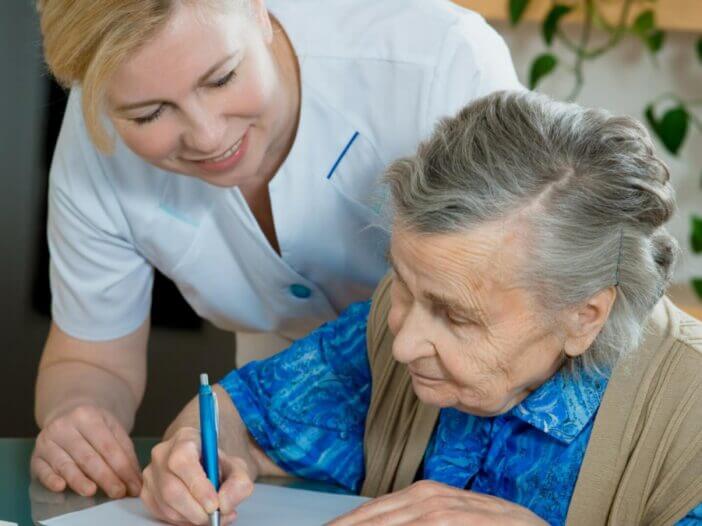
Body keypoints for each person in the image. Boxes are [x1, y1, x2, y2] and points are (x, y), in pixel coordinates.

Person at [31, 0, 522, 499]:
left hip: (480, 401)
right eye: (150, 113)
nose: (209, 136)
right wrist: (77, 419)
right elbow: (94, 360)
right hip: (279, 400)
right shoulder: (96, 139)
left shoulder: (440, 61)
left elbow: (528, 318)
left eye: (221, 78)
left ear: (257, 10)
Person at [140, 91, 702, 525]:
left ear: (585, 317)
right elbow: (239, 414)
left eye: (455, 316)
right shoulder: (393, 333)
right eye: (404, 283)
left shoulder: (688, 414)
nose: (404, 341)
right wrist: (192, 453)